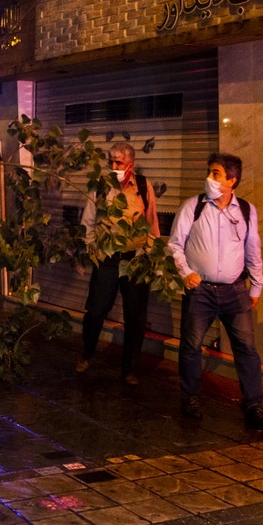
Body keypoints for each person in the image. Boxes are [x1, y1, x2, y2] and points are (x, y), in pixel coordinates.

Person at [168, 152, 263, 429]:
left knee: (247, 349)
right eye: (210, 172)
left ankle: (253, 404)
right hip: (200, 290)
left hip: (235, 291)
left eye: (215, 173)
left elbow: (253, 250)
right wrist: (185, 272)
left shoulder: (247, 211)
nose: (209, 178)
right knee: (191, 346)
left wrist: (257, 286)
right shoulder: (193, 207)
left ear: (232, 180)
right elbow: (174, 245)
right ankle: (190, 397)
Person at [75, 142, 160, 386]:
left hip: (135, 259)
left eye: (118, 163)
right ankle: (87, 354)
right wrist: (88, 252)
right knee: (96, 310)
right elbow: (88, 222)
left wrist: (152, 255)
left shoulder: (143, 186)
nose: (113, 166)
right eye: (110, 161)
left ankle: (130, 369)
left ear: (130, 164)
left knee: (135, 316)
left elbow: (151, 223)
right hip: (108, 259)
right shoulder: (101, 187)